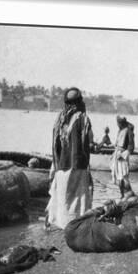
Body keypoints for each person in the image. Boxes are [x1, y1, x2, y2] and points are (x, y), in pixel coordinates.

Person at [46, 87, 94, 230]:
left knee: (62, 197)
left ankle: (61, 222)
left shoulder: (59, 118)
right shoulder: (83, 118)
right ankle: (76, 223)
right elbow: (89, 140)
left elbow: (55, 143)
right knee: (78, 197)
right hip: (78, 165)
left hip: (61, 164)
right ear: (80, 101)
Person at [110, 115, 135, 197]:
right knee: (118, 178)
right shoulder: (120, 131)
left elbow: (131, 146)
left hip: (122, 157)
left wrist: (123, 155)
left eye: (119, 123)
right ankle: (122, 195)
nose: (118, 124)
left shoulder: (128, 131)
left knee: (124, 177)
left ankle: (129, 194)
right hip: (117, 156)